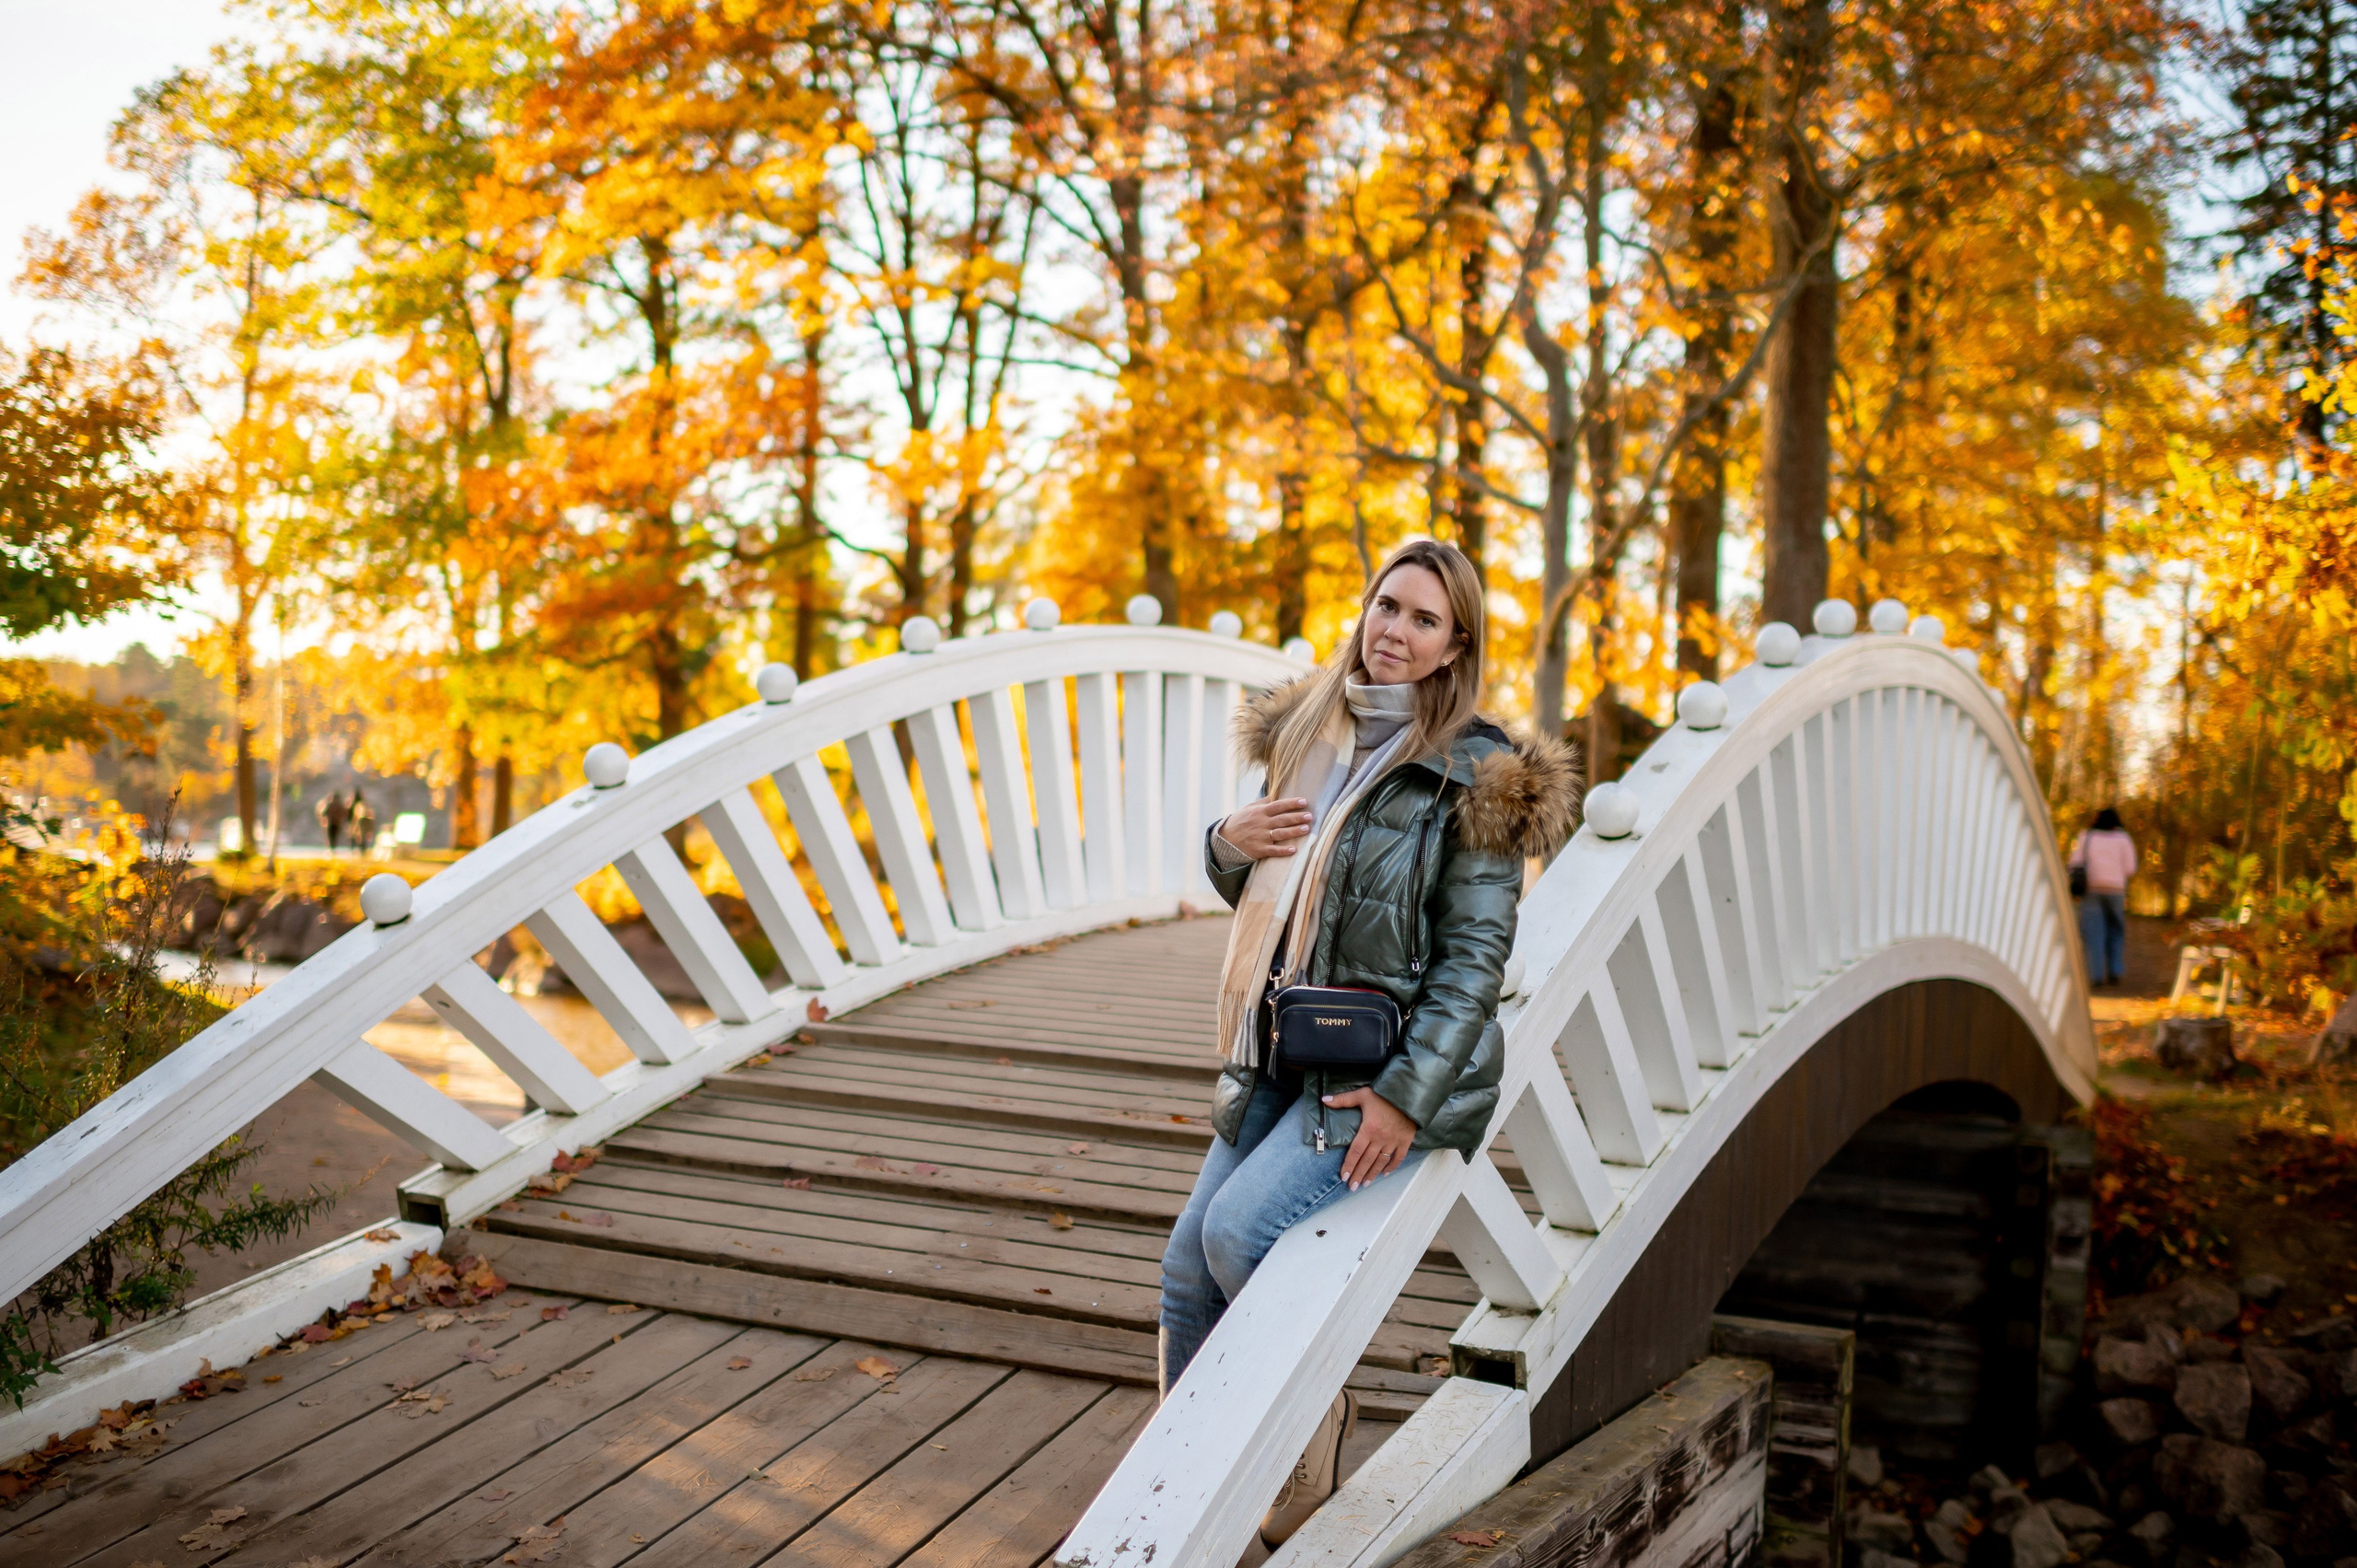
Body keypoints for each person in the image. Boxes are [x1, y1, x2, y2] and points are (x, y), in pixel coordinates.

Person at [1164, 539, 1579, 1547]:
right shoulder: (1310, 726)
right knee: (1183, 1269)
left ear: (1454, 645)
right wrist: (1225, 841)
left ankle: (1294, 1437)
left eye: (1423, 619)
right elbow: (1270, 888)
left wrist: (1404, 1095)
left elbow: (1474, 961)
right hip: (1275, 1043)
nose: (1394, 631)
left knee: (1235, 1234)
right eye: (1386, 605)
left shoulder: (1478, 771)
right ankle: (1181, 1473)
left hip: (1369, 1067)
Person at [2072, 806, 2137, 987]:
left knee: (2094, 933)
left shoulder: (2087, 836)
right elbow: (2130, 868)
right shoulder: (2123, 838)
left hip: (2091, 890)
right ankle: (2115, 970)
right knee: (2115, 930)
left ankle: (2096, 975)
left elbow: (2075, 862)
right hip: (2115, 890)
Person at [315, 790, 348, 856]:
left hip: (330, 823)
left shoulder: (329, 804)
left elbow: (324, 813)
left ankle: (331, 849)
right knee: (334, 836)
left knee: (330, 836)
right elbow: (344, 814)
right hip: (337, 823)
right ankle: (333, 849)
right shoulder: (340, 805)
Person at [347, 790, 377, 860]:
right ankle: (360, 852)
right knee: (359, 838)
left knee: (358, 837)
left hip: (358, 823)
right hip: (360, 823)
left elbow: (353, 815)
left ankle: (357, 852)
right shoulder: (362, 804)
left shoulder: (356, 804)